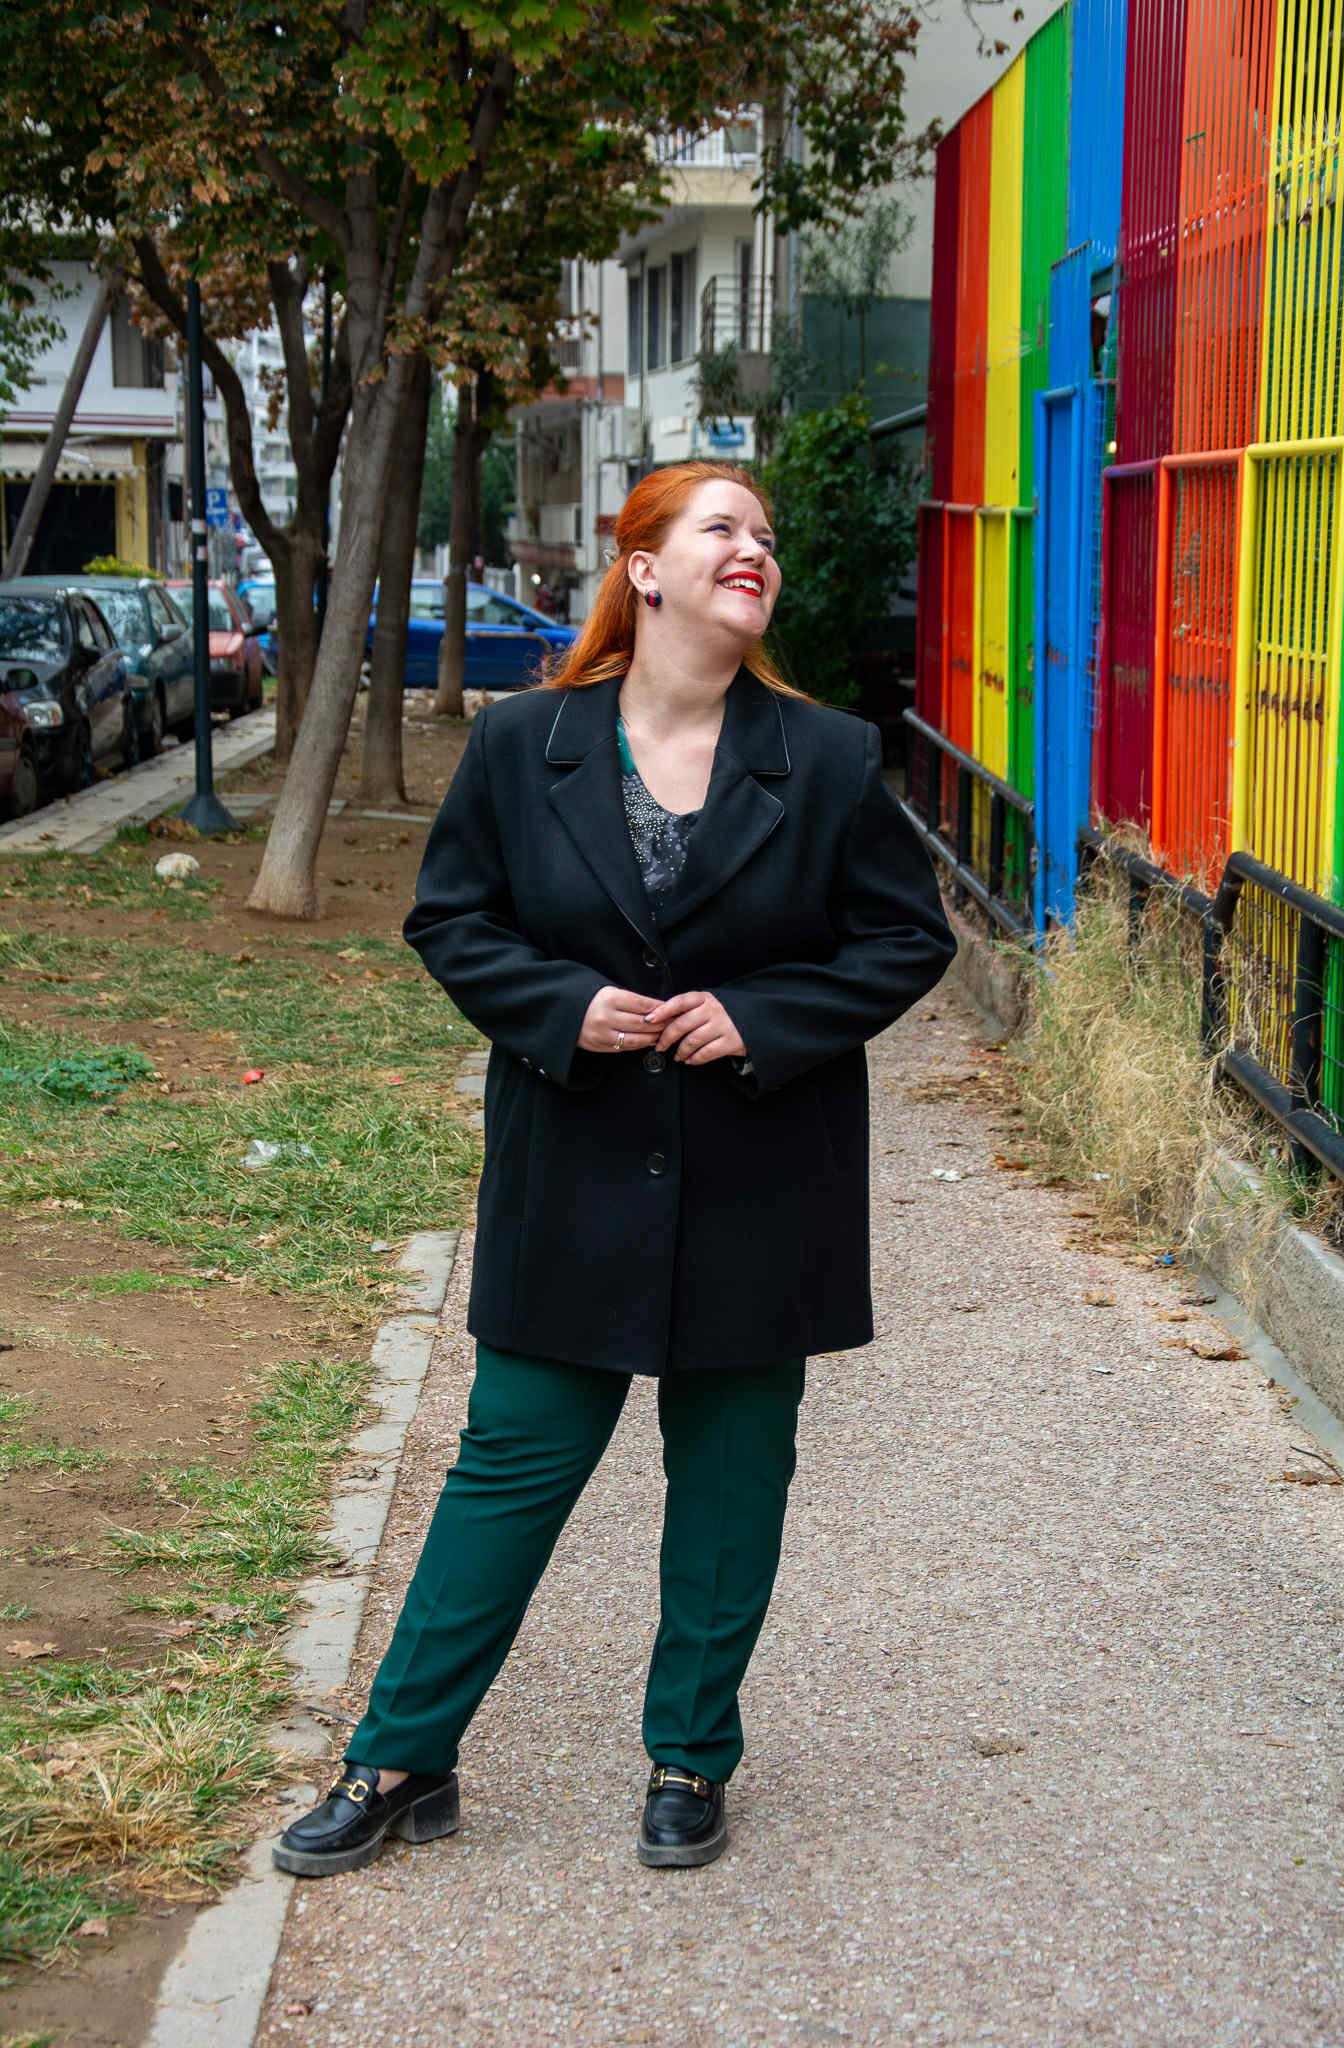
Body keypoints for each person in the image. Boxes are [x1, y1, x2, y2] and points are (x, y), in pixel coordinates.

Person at [273, 460, 956, 1881]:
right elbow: (451, 919)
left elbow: (906, 939)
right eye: (722, 527)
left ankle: (690, 1757)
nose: (754, 547)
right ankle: (400, 1756)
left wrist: (764, 1019)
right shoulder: (525, 741)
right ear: (643, 568)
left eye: (765, 534)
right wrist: (560, 1007)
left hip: (764, 1178)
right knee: (509, 1464)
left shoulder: (828, 758)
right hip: (570, 1167)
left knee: (730, 1481)